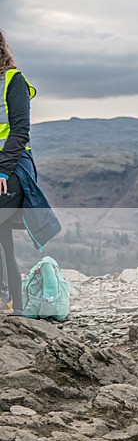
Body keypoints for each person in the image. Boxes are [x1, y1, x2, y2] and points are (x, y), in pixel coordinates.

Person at [0, 29, 61, 315]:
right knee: (2, 238)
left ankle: (11, 304)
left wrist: (2, 171)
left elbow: (20, 132)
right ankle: (15, 306)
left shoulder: (14, 81)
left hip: (13, 167)